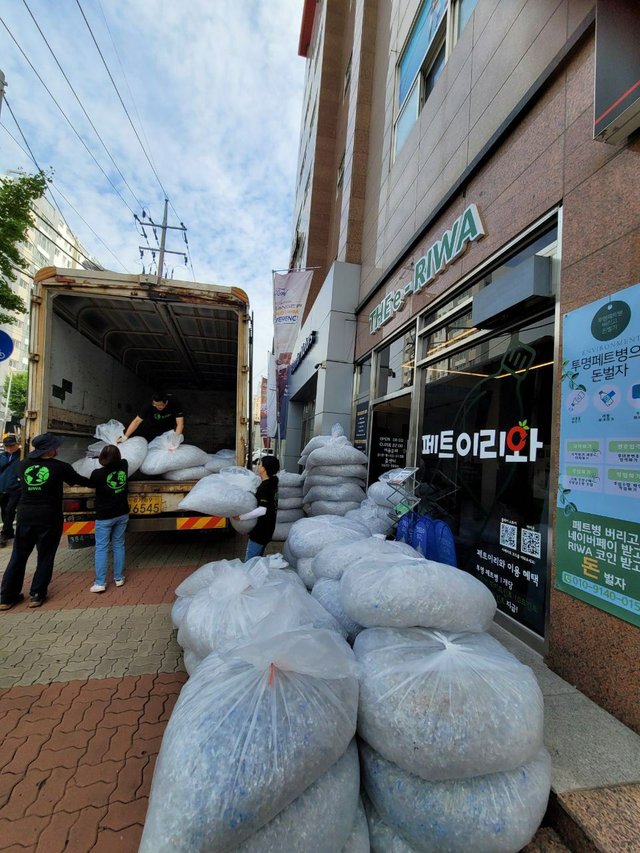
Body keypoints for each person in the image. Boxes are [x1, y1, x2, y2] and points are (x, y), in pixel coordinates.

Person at [0, 433, 91, 610]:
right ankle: (37, 594)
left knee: (18, 556)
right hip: (49, 518)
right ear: (50, 449)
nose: (58, 449)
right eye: (56, 446)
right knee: (45, 556)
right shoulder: (61, 467)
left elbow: (16, 485)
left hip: (25, 516)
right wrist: (100, 479)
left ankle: (6, 597)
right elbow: (79, 481)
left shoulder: (22, 465)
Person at [88, 444, 130, 593]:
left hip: (104, 516)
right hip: (122, 513)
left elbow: (90, 483)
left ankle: (100, 582)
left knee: (102, 548)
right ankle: (118, 578)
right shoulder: (124, 466)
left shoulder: (97, 474)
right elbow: (122, 460)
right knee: (119, 544)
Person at [234, 455, 280, 561]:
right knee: (256, 560)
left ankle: (248, 577)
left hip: (261, 531)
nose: (258, 466)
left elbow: (262, 510)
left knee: (249, 562)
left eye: (260, 464)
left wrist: (241, 517)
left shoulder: (266, 487)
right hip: (268, 528)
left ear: (264, 469)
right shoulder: (272, 483)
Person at [118, 391, 184, 442]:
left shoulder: (174, 402)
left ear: (166, 403)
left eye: (159, 405)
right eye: (155, 404)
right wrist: (125, 436)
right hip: (153, 427)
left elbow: (180, 423)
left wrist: (175, 441)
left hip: (168, 427)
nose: (156, 406)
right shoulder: (148, 405)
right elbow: (137, 421)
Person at [0, 434, 22, 547]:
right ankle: (9, 532)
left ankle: (5, 533)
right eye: (7, 446)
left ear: (17, 445)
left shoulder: (22, 456)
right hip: (2, 488)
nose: (9, 448)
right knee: (4, 511)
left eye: (11, 445)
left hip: (16, 488)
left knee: (10, 510)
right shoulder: (2, 456)